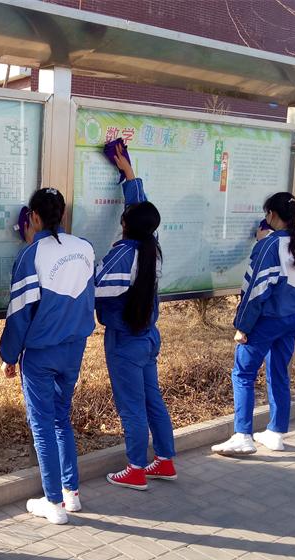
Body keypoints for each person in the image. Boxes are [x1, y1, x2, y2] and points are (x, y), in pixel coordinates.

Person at [0, 187, 96, 525]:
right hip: (75, 348)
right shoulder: (84, 248)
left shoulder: (32, 255)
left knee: (41, 422)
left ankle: (52, 502)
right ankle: (72, 494)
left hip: (40, 353)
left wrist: (9, 355)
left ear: (35, 217)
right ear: (63, 214)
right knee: (60, 418)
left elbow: (20, 312)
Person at [95, 144, 176, 490]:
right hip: (147, 337)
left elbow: (95, 287)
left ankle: (136, 468)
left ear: (125, 224)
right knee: (151, 398)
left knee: (131, 407)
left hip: (125, 341)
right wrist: (129, 173)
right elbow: (141, 210)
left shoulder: (124, 254)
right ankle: (166, 461)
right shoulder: (150, 246)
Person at [212, 193, 295, 456]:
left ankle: (242, 435)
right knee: (278, 373)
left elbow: (255, 291)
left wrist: (242, 326)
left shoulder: (269, 246)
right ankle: (276, 433)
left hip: (266, 321)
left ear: (271, 216)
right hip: (292, 318)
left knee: (243, 374)